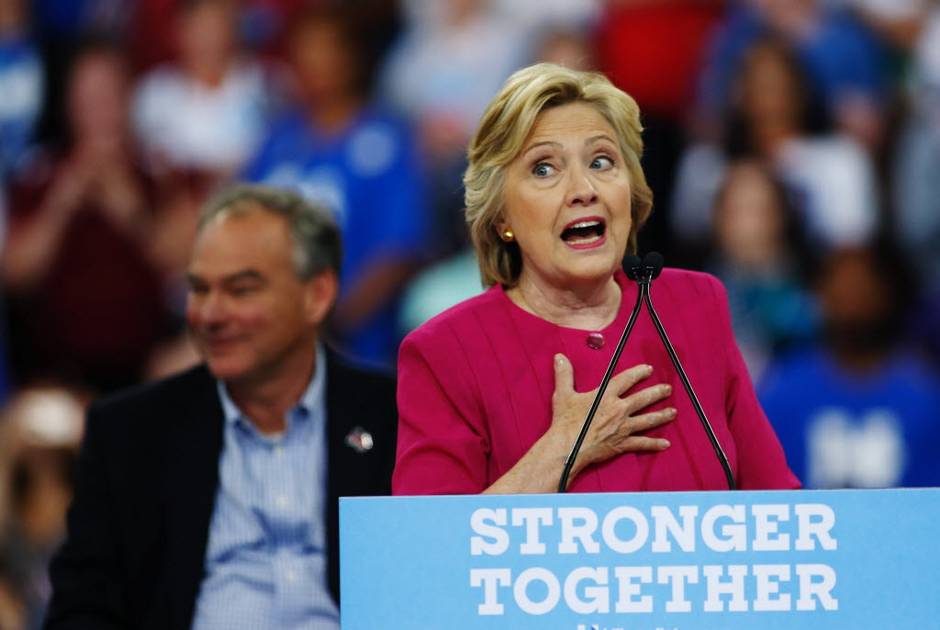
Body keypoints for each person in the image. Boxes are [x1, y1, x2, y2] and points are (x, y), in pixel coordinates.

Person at [393, 63, 799, 495]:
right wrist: (566, 448)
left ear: (631, 190)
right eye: (544, 169)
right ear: (501, 218)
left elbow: (776, 502)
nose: (583, 188)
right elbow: (430, 549)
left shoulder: (694, 304)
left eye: (601, 161)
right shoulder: (445, 353)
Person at [44, 185, 397, 629]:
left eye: (240, 290)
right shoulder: (129, 434)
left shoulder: (395, 415)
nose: (210, 314)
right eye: (198, 289)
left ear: (317, 295)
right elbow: (80, 612)